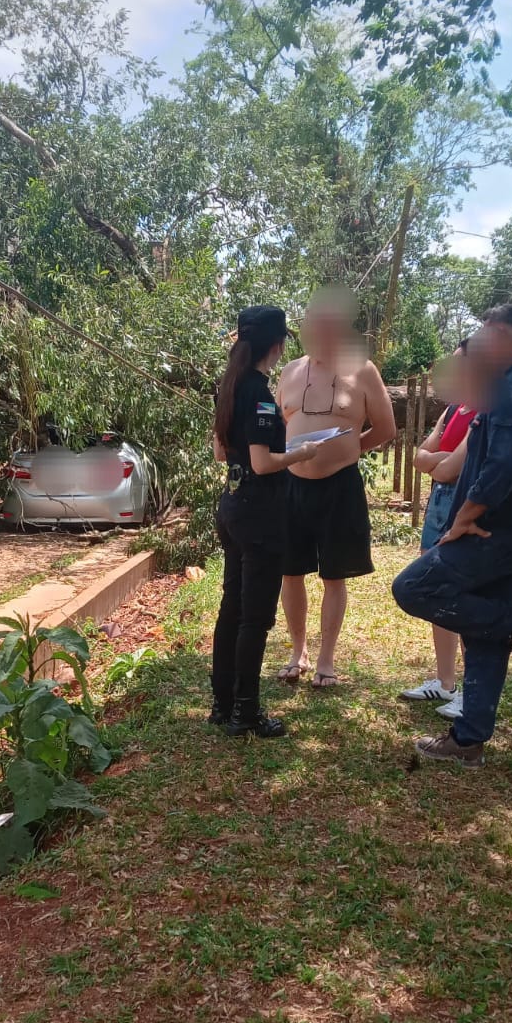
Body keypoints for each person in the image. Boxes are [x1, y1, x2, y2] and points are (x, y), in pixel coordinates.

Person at [390, 304, 512, 767]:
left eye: (483, 333)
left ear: (502, 336)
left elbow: (506, 463)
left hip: (492, 534)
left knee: (413, 587)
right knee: (482, 638)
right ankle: (468, 741)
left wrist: (465, 515)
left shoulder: (511, 389)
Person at [276, 288, 397, 688]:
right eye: (313, 323)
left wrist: (348, 451)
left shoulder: (363, 370)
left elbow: (386, 429)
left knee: (334, 575)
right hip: (291, 486)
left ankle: (325, 658)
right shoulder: (290, 371)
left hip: (340, 487)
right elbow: (281, 425)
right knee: (290, 572)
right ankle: (297, 651)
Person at [211, 307, 323, 738]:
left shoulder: (229, 385)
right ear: (276, 346)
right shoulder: (257, 392)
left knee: (232, 608)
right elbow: (262, 463)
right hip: (259, 514)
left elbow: (221, 453)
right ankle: (246, 712)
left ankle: (222, 704)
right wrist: (300, 452)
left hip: (232, 505)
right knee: (255, 618)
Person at [397, 339, 475, 720]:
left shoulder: (485, 412)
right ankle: (445, 682)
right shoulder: (452, 410)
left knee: (464, 593)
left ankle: (472, 691)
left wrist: (437, 460)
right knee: (437, 588)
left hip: (462, 501)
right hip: (438, 503)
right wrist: (438, 460)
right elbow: (419, 457)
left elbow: (450, 467)